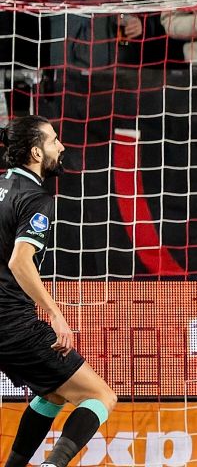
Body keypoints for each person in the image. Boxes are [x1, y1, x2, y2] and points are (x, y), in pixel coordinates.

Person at [0, 116, 117, 467]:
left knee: (51, 392)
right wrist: (55, 313)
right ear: (37, 152)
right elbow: (20, 263)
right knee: (101, 396)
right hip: (12, 323)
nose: (61, 147)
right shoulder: (35, 198)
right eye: (54, 141)